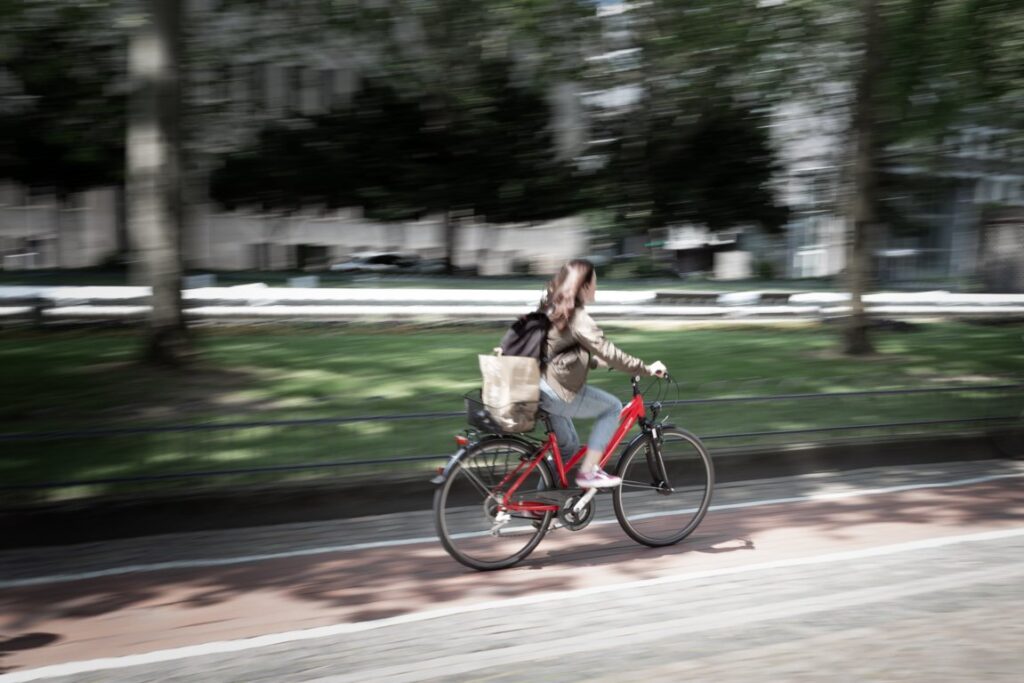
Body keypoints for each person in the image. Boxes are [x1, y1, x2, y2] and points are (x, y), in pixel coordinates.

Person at [539, 259, 667, 489]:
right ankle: (588, 472)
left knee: (568, 448)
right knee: (612, 407)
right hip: (557, 391)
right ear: (583, 286)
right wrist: (645, 368)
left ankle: (543, 505)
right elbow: (609, 351)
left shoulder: (556, 308)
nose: (597, 287)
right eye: (595, 282)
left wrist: (594, 362)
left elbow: (560, 351)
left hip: (540, 386)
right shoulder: (577, 316)